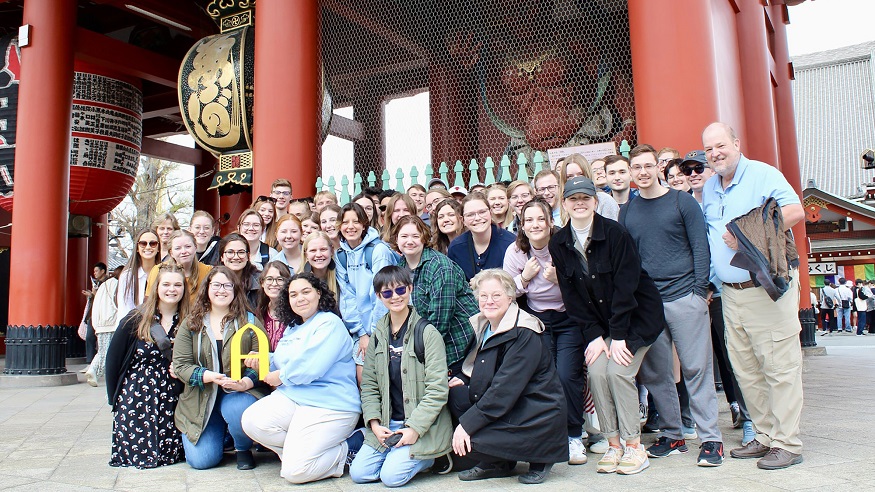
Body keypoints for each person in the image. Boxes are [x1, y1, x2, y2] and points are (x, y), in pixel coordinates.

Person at [701, 122, 806, 470]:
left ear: (736, 143)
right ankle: (762, 435)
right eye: (708, 150)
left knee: (779, 366)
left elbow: (793, 211)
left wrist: (746, 232)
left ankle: (787, 442)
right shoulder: (712, 187)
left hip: (765, 288)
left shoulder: (762, 174)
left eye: (721, 146)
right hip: (731, 293)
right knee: (746, 369)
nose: (715, 154)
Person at [549, 176, 664, 475]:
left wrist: (620, 337)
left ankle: (634, 445)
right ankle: (614, 444)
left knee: (618, 371)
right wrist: (594, 337)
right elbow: (571, 295)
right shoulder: (559, 242)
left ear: (595, 202)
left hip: (636, 319)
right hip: (601, 327)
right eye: (573, 199)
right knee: (598, 372)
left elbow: (627, 289)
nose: (580, 203)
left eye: (585, 198)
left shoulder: (615, 234)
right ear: (564, 204)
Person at [620, 144, 723, 466]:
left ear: (658, 168)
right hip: (649, 303)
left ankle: (710, 439)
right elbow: (630, 260)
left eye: (648, 166)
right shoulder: (629, 210)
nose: (643, 172)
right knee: (656, 372)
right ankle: (672, 432)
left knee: (696, 367)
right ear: (632, 172)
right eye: (636, 167)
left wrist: (698, 290)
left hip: (684, 296)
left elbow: (700, 248)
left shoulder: (682, 202)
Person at [449, 269, 567, 484]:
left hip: (534, 413)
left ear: (510, 297)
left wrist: (466, 425)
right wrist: (464, 380)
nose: (489, 301)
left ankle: (540, 456)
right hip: (510, 407)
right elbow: (482, 366)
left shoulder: (524, 332)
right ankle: (499, 462)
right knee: (456, 394)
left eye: (496, 295)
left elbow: (504, 389)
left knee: (468, 445)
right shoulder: (485, 324)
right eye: (483, 296)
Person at [241, 273, 361, 484]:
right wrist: (264, 359)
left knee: (295, 472)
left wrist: (281, 377)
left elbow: (311, 366)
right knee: (252, 421)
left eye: (306, 292)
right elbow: (285, 359)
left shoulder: (329, 323)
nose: (300, 298)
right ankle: (300, 454)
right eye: (293, 294)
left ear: (319, 293)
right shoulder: (294, 326)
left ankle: (350, 446)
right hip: (295, 398)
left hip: (330, 404)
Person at [503, 198, 589, 465]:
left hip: (568, 317)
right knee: (546, 376)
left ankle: (574, 435)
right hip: (537, 319)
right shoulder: (516, 252)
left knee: (566, 374)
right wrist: (525, 277)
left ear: (550, 221)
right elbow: (506, 292)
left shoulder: (565, 245)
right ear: (522, 225)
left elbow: (586, 285)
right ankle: (551, 434)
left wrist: (560, 280)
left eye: (540, 219)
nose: (535, 224)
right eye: (529, 220)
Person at [350, 266, 452, 487]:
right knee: (359, 474)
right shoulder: (378, 334)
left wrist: (414, 429)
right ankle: (394, 456)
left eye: (400, 290)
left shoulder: (427, 333)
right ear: (379, 296)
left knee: (391, 477)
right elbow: (369, 385)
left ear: (410, 289)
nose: (395, 297)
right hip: (388, 423)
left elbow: (437, 390)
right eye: (387, 293)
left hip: (421, 426)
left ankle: (431, 457)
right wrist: (375, 424)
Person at [682, 149, 754, 444]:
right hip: (695, 291)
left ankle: (749, 416)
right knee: (700, 358)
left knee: (734, 355)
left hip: (724, 290)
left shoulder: (721, 199)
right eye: (688, 170)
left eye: (700, 167)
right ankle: (709, 417)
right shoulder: (685, 205)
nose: (694, 173)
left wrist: (711, 283)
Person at [172, 266, 268, 470]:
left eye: (227, 285)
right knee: (202, 461)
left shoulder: (248, 322)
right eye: (216, 285)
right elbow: (180, 365)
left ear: (235, 290)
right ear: (207, 288)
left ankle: (242, 447)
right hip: (202, 396)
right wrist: (207, 376)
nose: (221, 290)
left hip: (239, 393)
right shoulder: (191, 323)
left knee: (236, 408)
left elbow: (263, 359)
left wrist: (247, 381)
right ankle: (220, 437)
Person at [105, 262, 189, 468]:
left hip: (173, 397)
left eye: (177, 285)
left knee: (171, 457)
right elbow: (113, 360)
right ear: (156, 287)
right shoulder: (136, 319)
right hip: (137, 397)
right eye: (166, 284)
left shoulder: (189, 321)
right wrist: (114, 399)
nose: (172, 290)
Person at [393, 215, 477, 375]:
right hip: (424, 342)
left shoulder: (439, 266)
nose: (409, 241)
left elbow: (440, 319)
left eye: (415, 236)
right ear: (396, 239)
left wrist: (417, 354)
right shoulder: (400, 267)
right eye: (404, 236)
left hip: (456, 345)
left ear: (424, 238)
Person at [336, 203, 397, 380]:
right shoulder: (341, 255)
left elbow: (384, 295)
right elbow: (347, 297)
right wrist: (362, 333)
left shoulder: (378, 251)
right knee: (363, 378)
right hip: (361, 330)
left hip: (384, 325)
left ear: (364, 224)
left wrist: (373, 332)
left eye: (356, 221)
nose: (350, 227)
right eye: (345, 222)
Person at [448, 192, 516, 281]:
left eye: (482, 212)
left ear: (491, 213)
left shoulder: (510, 243)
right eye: (470, 215)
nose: (477, 218)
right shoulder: (456, 248)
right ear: (462, 220)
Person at [145, 230, 211, 304]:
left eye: (188, 246)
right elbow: (149, 302)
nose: (183, 251)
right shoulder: (158, 271)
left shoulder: (208, 272)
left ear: (195, 248)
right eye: (178, 248)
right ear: (171, 252)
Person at [85, 266, 124, 386]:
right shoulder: (118, 285)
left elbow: (96, 305)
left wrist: (95, 323)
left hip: (101, 323)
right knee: (108, 352)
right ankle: (102, 373)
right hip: (112, 322)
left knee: (103, 349)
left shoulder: (103, 286)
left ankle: (93, 369)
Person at [555, 153, 620, 220]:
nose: (576, 179)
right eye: (570, 177)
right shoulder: (563, 204)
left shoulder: (605, 201)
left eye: (580, 174)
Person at [117, 229, 159, 319]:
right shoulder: (128, 276)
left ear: (158, 248)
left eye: (153, 243)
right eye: (143, 243)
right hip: (133, 327)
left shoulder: (164, 273)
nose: (148, 247)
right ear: (137, 248)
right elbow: (124, 310)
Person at [255, 261, 293, 351]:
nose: (274, 284)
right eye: (269, 279)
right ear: (262, 283)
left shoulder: (295, 312)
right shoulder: (260, 312)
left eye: (280, 279)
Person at [219, 233, 261, 309]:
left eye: (241, 252)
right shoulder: (212, 280)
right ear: (222, 256)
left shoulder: (260, 281)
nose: (236, 257)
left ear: (248, 256)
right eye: (230, 252)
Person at [81, 262, 109, 365]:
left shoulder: (108, 283)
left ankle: (99, 362)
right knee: (90, 337)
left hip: (103, 314)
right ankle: (90, 362)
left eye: (97, 271)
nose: (95, 273)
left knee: (101, 338)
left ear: (103, 271)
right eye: (94, 271)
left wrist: (93, 294)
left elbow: (104, 299)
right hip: (93, 314)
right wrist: (91, 295)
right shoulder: (96, 283)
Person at [303, 231, 341, 301]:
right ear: (306, 255)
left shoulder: (341, 277)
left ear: (332, 251)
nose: (318, 255)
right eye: (313, 250)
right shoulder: (299, 281)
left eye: (323, 249)